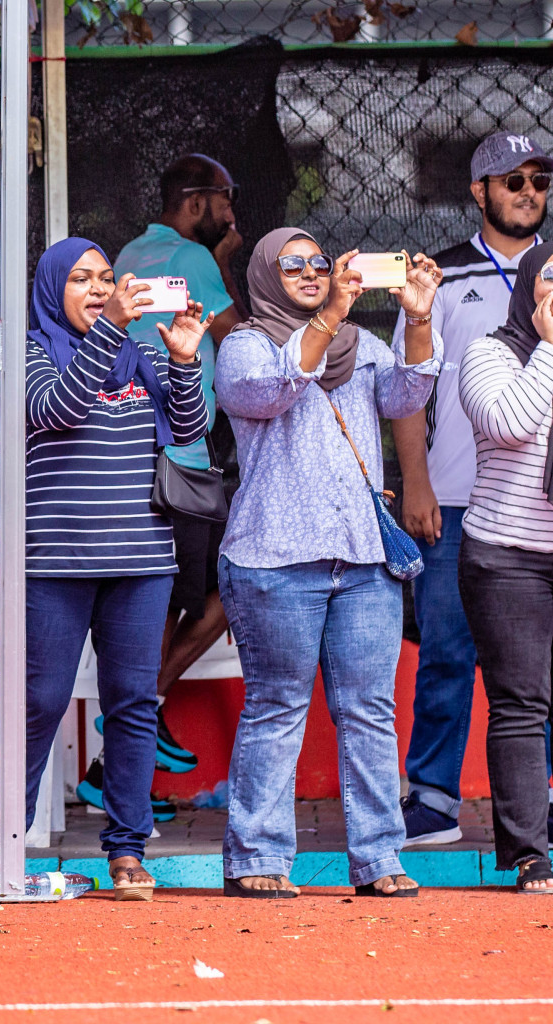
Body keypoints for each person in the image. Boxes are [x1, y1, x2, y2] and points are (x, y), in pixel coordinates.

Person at [0, 238, 211, 901]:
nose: (99, 289)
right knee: (39, 703)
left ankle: (128, 850)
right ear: (53, 288)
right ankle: (0, 838)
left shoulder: (139, 351)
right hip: (55, 561)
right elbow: (56, 410)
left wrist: (185, 359)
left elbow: (187, 431)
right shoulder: (30, 351)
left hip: (142, 561)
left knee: (133, 704)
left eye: (107, 278)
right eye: (82, 279)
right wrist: (110, 330)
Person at [215, 229, 441, 898]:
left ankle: (379, 860)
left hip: (364, 559)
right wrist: (331, 314)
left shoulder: (362, 347)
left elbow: (407, 397)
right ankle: (256, 857)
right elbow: (271, 392)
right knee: (278, 708)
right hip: (274, 560)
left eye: (320, 263)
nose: (311, 272)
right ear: (265, 274)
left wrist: (419, 317)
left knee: (369, 710)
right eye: (295, 264)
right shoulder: (244, 345)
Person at [396, 131, 553, 848]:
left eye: (539, 180)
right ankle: (432, 796)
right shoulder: (439, 277)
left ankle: (539, 805)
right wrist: (417, 484)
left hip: (542, 508)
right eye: (511, 180)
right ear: (478, 190)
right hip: (459, 498)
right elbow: (407, 391)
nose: (528, 192)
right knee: (448, 651)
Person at [109, 153, 247, 798]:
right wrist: (223, 264)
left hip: (135, 453)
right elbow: (239, 333)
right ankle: (145, 709)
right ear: (195, 201)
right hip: (185, 458)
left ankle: (114, 768)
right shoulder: (193, 260)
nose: (230, 211)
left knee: (158, 601)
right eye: (225, 198)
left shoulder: (128, 255)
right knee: (230, 585)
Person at [455, 241, 553, 894]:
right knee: (520, 705)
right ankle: (529, 854)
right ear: (527, 288)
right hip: (507, 557)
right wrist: (549, 347)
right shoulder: (491, 353)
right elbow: (510, 424)